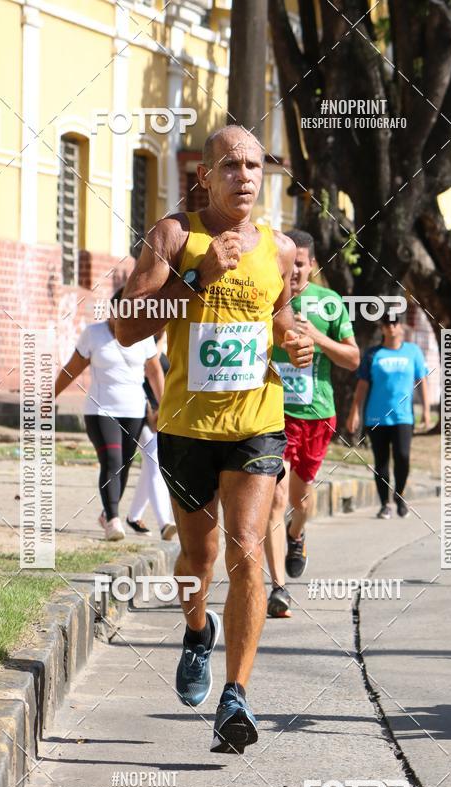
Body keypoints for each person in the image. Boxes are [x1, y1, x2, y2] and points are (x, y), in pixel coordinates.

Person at [118, 125, 314, 753]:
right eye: (231, 165)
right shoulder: (174, 235)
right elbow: (126, 326)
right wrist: (197, 277)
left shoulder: (279, 249)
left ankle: (237, 695)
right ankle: (197, 631)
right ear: (204, 174)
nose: (246, 176)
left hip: (257, 419)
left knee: (248, 551)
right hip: (185, 426)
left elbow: (277, 315)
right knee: (197, 562)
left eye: (255, 165)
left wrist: (295, 338)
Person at [264, 229, 360, 617]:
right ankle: (278, 588)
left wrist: (318, 337)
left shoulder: (330, 302)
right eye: (289, 264)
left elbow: (353, 359)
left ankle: (296, 533)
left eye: (301, 264)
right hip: (275, 414)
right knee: (275, 498)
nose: (294, 271)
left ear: (312, 265)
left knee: (301, 501)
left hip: (318, 415)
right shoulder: (268, 298)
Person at [55, 309, 163, 540]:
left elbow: (154, 372)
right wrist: (49, 396)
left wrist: (163, 406)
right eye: (119, 315)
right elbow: (72, 368)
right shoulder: (94, 334)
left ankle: (107, 513)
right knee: (112, 460)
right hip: (100, 410)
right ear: (111, 312)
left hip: (134, 411)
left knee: (123, 465)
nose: (123, 322)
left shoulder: (143, 335)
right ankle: (113, 519)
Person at [346, 312, 430, 519]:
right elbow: (362, 385)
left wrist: (427, 410)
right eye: (387, 323)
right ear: (382, 328)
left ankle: (399, 496)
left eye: (394, 322)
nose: (391, 326)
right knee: (381, 462)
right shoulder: (373, 354)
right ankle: (385, 503)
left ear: (400, 326)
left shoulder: (413, 352)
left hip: (403, 417)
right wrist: (354, 411)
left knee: (402, 457)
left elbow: (422, 381)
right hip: (376, 417)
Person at [127, 330, 177, 540]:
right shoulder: (142, 337)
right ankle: (165, 523)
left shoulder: (170, 340)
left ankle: (132, 515)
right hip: (143, 410)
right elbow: (138, 375)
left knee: (151, 466)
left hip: (163, 411)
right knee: (155, 462)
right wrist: (149, 410)